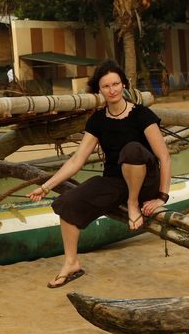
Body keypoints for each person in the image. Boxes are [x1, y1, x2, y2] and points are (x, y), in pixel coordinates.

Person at [27, 60, 172, 289]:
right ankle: (71, 262)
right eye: (106, 86)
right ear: (99, 90)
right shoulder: (98, 120)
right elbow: (77, 159)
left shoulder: (142, 115)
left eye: (116, 84)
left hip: (145, 182)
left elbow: (164, 157)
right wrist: (46, 186)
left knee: (132, 149)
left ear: (123, 84)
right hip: (116, 181)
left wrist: (162, 197)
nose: (112, 90)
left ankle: (132, 204)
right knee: (68, 202)